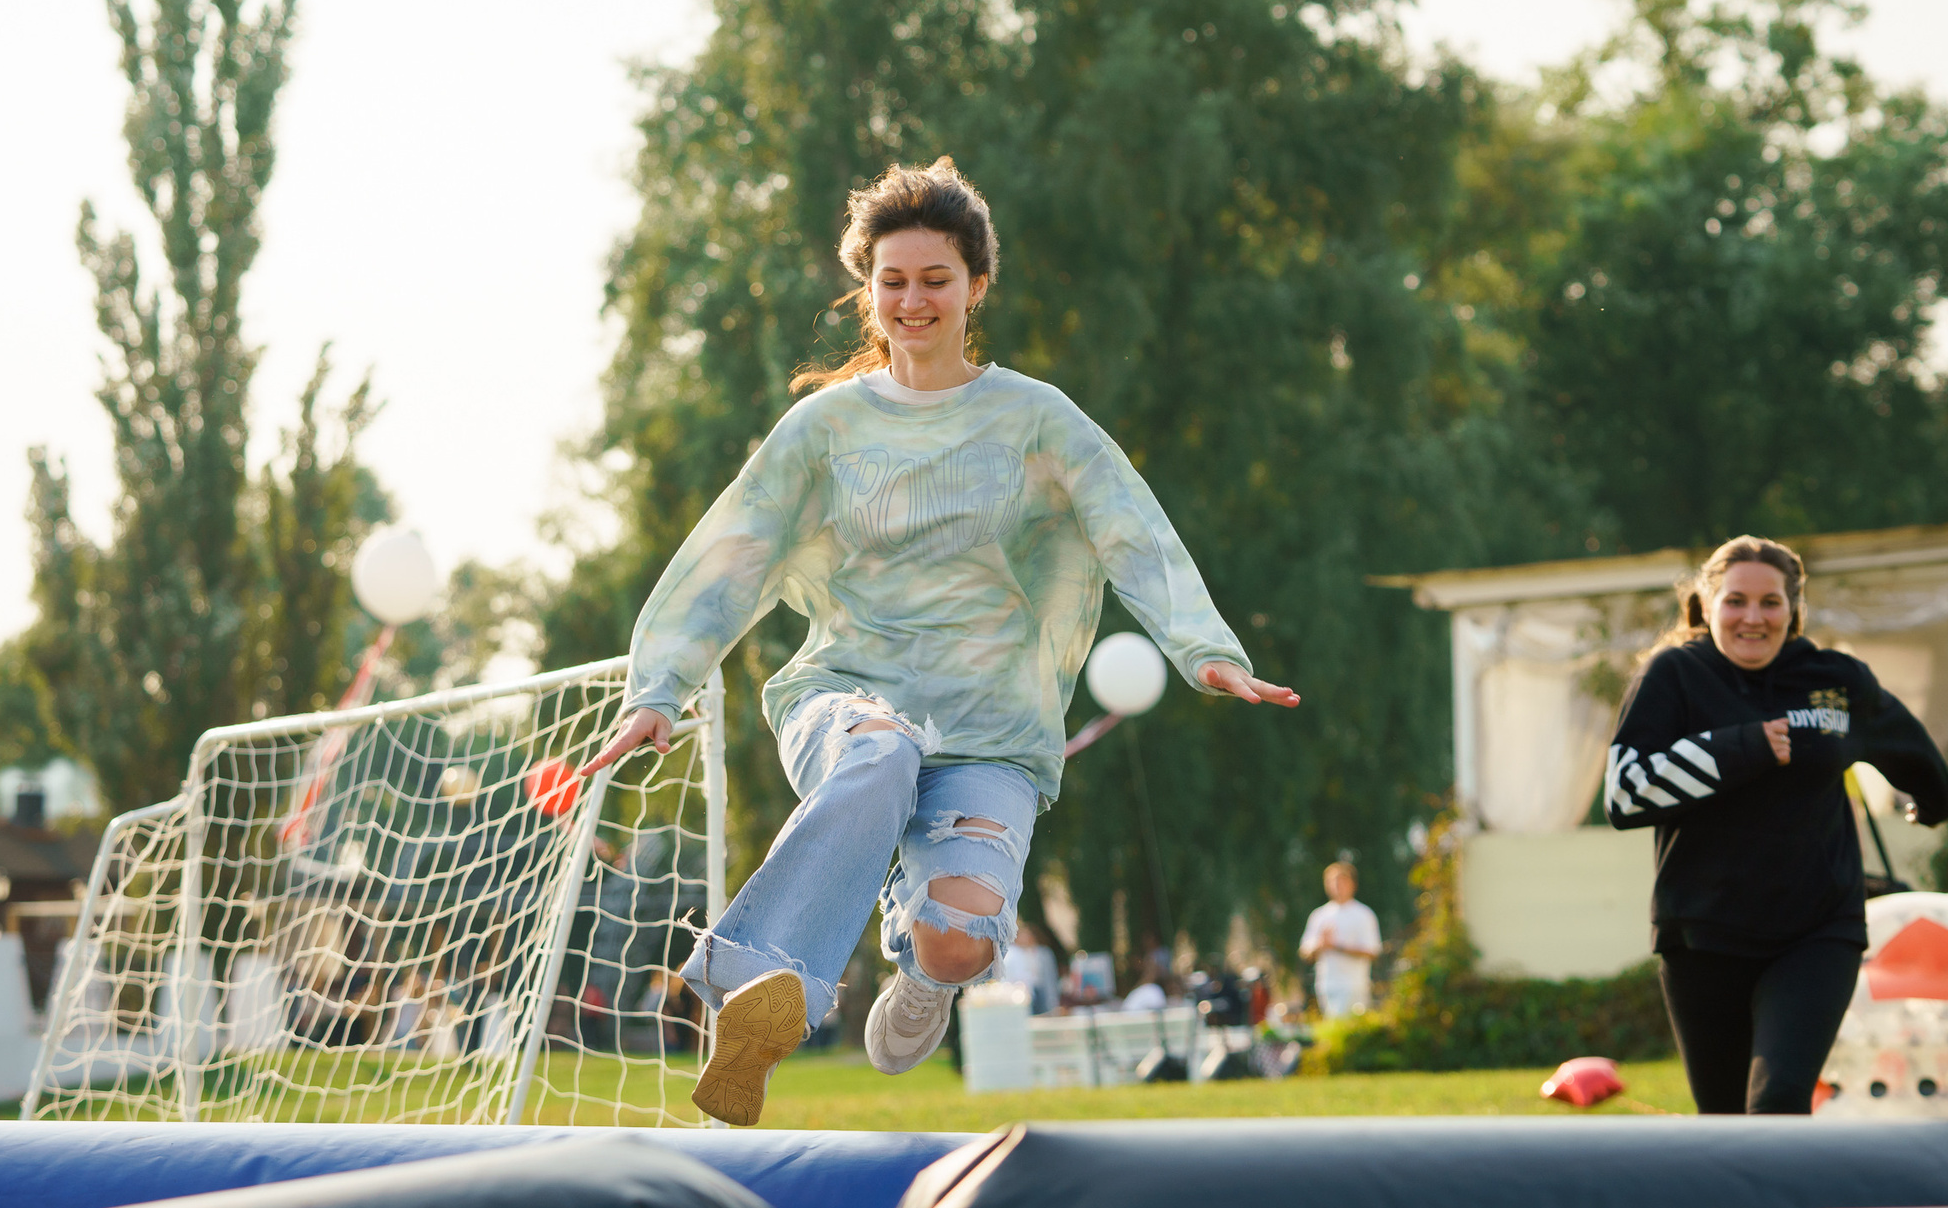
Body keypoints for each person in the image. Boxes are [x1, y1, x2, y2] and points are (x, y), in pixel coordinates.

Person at [581, 159, 1298, 1125]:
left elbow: (1128, 524)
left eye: (935, 280)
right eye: (893, 281)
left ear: (976, 286)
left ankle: (925, 968)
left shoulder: (1035, 418)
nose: (913, 301)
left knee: (959, 938)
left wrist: (1202, 647)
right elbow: (733, 551)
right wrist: (658, 687)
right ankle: (753, 986)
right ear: (868, 292)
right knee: (881, 753)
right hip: (848, 696)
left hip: (990, 729)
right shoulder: (826, 428)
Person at [1605, 535, 1948, 1114]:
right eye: (1736, 601)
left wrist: (1934, 800)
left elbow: (1905, 743)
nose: (1754, 617)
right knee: (1725, 1124)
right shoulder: (1673, 675)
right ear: (1708, 604)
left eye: (1770, 602)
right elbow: (1625, 794)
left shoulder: (1834, 681)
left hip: (1816, 930)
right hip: (1703, 936)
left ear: (1794, 610)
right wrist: (1742, 747)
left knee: (1779, 1101)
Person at [1297, 860, 1383, 1018]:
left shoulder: (1364, 914)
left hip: (1354, 985)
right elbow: (1305, 952)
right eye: (1332, 881)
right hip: (1327, 985)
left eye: (1342, 881)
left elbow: (1372, 951)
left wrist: (1338, 946)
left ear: (1352, 884)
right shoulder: (1319, 915)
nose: (1337, 886)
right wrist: (1320, 945)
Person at [1002, 920, 1062, 1015]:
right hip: (1024, 989)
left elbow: (1050, 975)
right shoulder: (1014, 953)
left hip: (1041, 987)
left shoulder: (1044, 953)